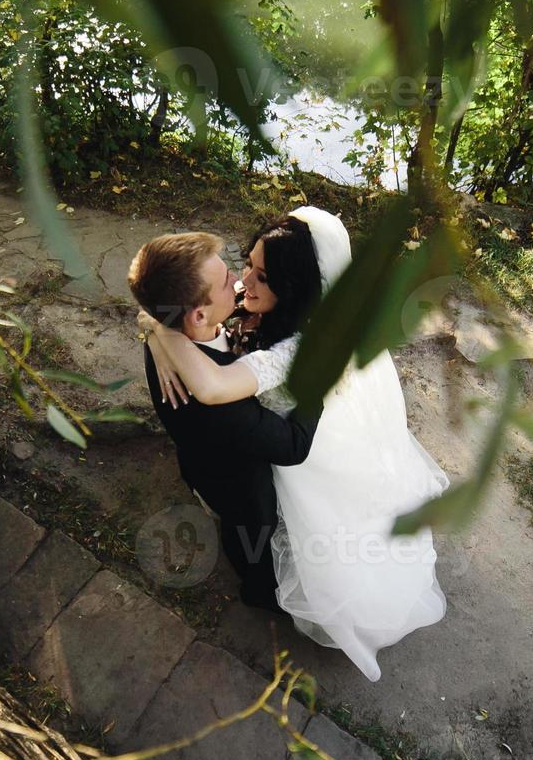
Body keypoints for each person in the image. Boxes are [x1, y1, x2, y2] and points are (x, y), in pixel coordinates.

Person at [139, 207, 447, 681]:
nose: (242, 284)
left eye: (259, 276)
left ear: (294, 284)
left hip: (303, 429)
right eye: (243, 268)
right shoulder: (239, 304)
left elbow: (225, 395)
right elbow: (169, 306)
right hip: (241, 448)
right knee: (257, 507)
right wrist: (157, 327)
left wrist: (163, 333)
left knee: (314, 516)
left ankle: (269, 579)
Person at [126, 231, 321, 612]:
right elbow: (294, 446)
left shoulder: (174, 327)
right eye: (225, 281)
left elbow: (151, 315)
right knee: (253, 540)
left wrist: (152, 330)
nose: (238, 281)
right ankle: (261, 593)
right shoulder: (221, 406)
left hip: (202, 455)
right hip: (242, 491)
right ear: (198, 314)